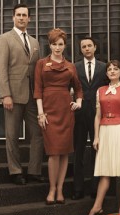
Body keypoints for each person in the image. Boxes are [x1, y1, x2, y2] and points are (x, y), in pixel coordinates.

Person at [83, 60, 120, 215]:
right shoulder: (100, 90)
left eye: (116, 69)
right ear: (106, 73)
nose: (113, 71)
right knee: (105, 172)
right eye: (109, 69)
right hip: (104, 131)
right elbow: (97, 115)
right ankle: (97, 206)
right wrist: (96, 136)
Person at [0, 4, 45, 185]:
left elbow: (37, 69)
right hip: (13, 96)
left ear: (29, 18)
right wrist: (5, 94)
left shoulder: (34, 42)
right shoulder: (4, 39)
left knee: (38, 134)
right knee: (12, 135)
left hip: (33, 96)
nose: (22, 18)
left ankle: (34, 171)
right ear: (13, 17)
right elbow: (1, 69)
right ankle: (15, 171)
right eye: (18, 15)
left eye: (25, 15)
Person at [34, 28, 83, 204]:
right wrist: (40, 113)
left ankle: (60, 189)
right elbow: (38, 89)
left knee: (64, 153)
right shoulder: (41, 63)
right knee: (53, 153)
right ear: (49, 45)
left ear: (65, 45)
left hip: (65, 111)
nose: (57, 47)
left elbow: (78, 88)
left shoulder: (71, 66)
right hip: (48, 111)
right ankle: (51, 189)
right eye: (54, 44)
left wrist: (78, 102)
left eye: (60, 44)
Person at [72, 37, 107, 200]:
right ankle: (78, 189)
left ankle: (95, 188)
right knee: (78, 151)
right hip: (79, 113)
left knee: (96, 150)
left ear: (95, 47)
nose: (86, 49)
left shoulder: (103, 67)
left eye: (89, 46)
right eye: (83, 46)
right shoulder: (74, 67)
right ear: (81, 49)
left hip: (98, 112)